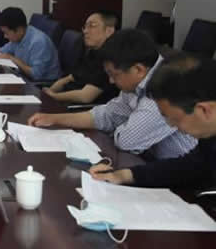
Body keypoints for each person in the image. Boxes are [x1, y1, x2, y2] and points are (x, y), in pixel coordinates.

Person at [28, 29, 197, 160]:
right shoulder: (137, 82)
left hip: (181, 179)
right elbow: (106, 115)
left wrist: (118, 126)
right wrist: (55, 119)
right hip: (149, 163)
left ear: (138, 69)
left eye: (114, 75)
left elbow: (127, 141)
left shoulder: (165, 87)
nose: (110, 81)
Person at [90, 55, 215, 190]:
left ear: (205, 110)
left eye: (175, 119)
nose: (171, 125)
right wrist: (123, 175)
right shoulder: (209, 137)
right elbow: (190, 166)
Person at [43, 10, 119, 104]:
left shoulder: (110, 60)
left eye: (92, 26)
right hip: (63, 100)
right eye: (85, 27)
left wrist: (54, 96)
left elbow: (85, 97)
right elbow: (69, 78)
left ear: (109, 31)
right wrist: (48, 92)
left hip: (78, 108)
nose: (85, 31)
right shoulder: (91, 52)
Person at [0, 7, 61, 81]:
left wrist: (12, 58)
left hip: (44, 83)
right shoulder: (18, 37)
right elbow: (2, 51)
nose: (5, 36)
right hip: (24, 77)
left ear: (19, 30)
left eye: (6, 33)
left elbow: (36, 75)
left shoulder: (39, 42)